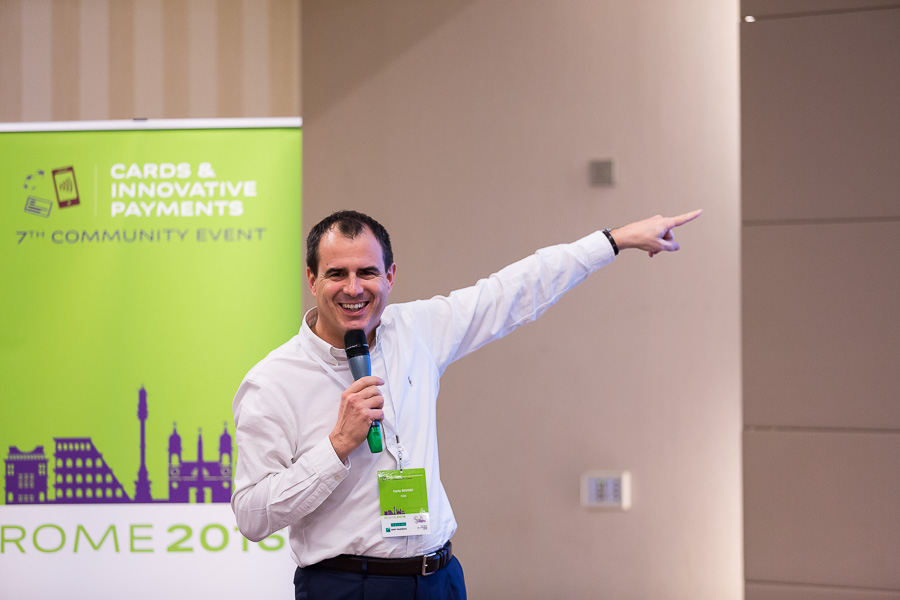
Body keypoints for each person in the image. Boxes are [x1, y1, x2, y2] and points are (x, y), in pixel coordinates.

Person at [231, 208, 701, 600]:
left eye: (367, 272)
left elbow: (513, 290)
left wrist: (614, 240)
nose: (354, 288)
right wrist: (335, 447)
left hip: (439, 579)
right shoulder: (272, 382)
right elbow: (252, 515)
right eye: (337, 273)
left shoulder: (417, 331)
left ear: (390, 276)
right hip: (347, 586)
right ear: (312, 278)